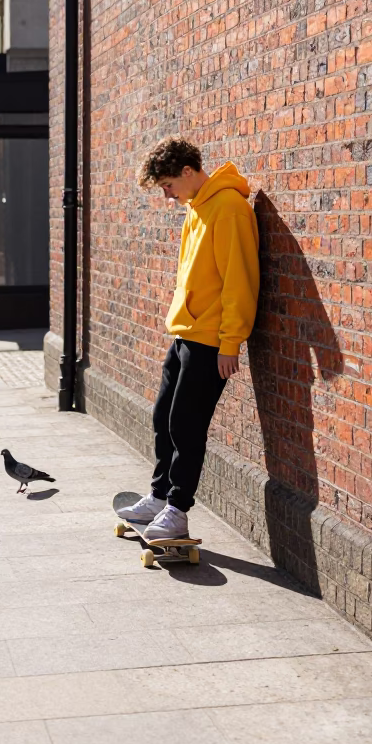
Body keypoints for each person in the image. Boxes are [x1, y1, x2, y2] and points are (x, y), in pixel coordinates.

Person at [117, 137, 260, 542]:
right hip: (185, 332)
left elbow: (240, 279)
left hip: (212, 340)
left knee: (187, 423)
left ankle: (178, 509)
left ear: (187, 171)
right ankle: (160, 495)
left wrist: (231, 342)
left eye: (167, 186)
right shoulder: (195, 209)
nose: (166, 196)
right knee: (163, 416)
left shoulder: (229, 209)